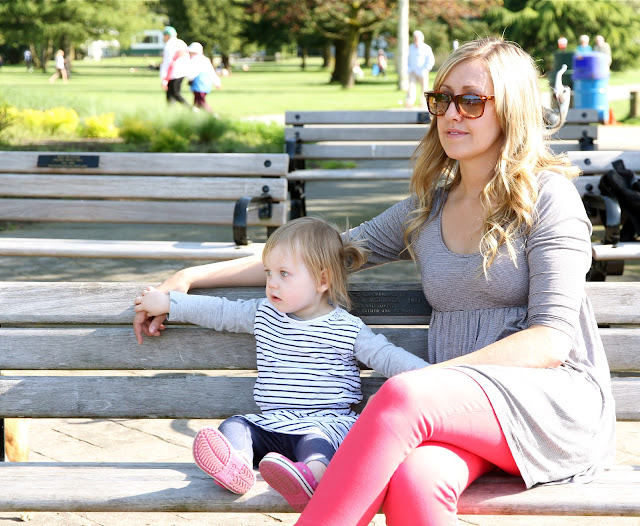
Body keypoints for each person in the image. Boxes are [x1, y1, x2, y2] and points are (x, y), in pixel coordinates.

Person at [134, 37, 616, 525]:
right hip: (454, 410)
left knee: (401, 394)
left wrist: (434, 382)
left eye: (471, 101)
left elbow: (550, 341)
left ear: (511, 110)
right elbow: (314, 258)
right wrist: (192, 276)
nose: (452, 114)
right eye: (442, 99)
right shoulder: (427, 210)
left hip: (547, 404)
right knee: (415, 482)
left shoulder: (548, 199)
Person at [133, 216, 428, 512]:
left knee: (317, 445)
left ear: (322, 280)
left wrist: (433, 377)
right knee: (236, 425)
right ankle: (236, 467)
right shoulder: (264, 314)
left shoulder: (348, 329)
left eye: (284, 273)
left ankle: (310, 477)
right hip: (273, 423)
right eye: (268, 272)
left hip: (325, 424)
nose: (271, 283)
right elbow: (220, 311)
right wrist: (172, 303)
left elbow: (388, 357)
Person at [187, 42, 221, 112]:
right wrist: (217, 82)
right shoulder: (205, 59)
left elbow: (192, 72)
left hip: (198, 83)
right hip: (206, 83)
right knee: (197, 101)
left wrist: (189, 79)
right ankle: (195, 114)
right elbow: (211, 72)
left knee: (200, 100)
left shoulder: (194, 59)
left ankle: (211, 114)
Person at [159, 26, 190, 105]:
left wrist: (164, 78)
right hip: (183, 72)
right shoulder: (182, 43)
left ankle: (190, 108)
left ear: (167, 35)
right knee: (171, 94)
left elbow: (168, 62)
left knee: (175, 94)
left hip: (173, 73)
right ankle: (171, 110)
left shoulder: (169, 45)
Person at [405, 30, 435, 108]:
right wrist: (409, 69)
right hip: (412, 71)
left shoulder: (426, 48)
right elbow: (407, 59)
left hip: (423, 71)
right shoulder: (410, 48)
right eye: (414, 37)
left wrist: (426, 68)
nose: (416, 39)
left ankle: (423, 103)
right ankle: (409, 102)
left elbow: (431, 60)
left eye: (417, 37)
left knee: (424, 88)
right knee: (411, 87)